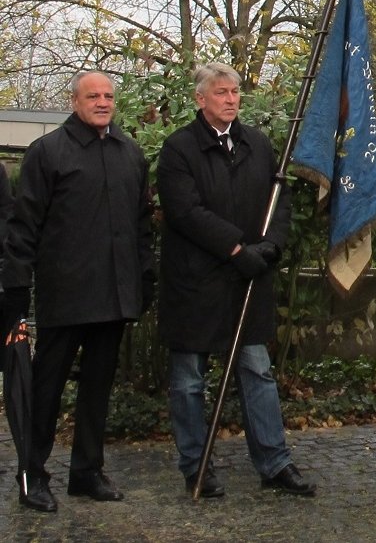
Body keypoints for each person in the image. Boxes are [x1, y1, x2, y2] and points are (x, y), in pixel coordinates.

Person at [155, 62, 314, 498]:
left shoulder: (257, 145)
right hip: (196, 284)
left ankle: (274, 462)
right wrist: (236, 249)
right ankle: (196, 465)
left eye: (235, 92)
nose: (231, 99)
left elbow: (279, 199)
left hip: (249, 281)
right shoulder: (179, 148)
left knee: (257, 371)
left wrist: (270, 247)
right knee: (189, 380)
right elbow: (185, 211)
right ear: (200, 98)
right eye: (221, 92)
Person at [1, 71, 154, 512]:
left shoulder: (130, 153)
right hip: (65, 294)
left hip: (114, 293)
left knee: (97, 388)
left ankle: (87, 470)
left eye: (108, 96)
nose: (102, 102)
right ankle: (33, 474)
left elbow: (141, 225)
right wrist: (17, 286)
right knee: (46, 389)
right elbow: (23, 226)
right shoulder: (47, 152)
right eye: (93, 96)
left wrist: (144, 278)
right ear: (74, 101)